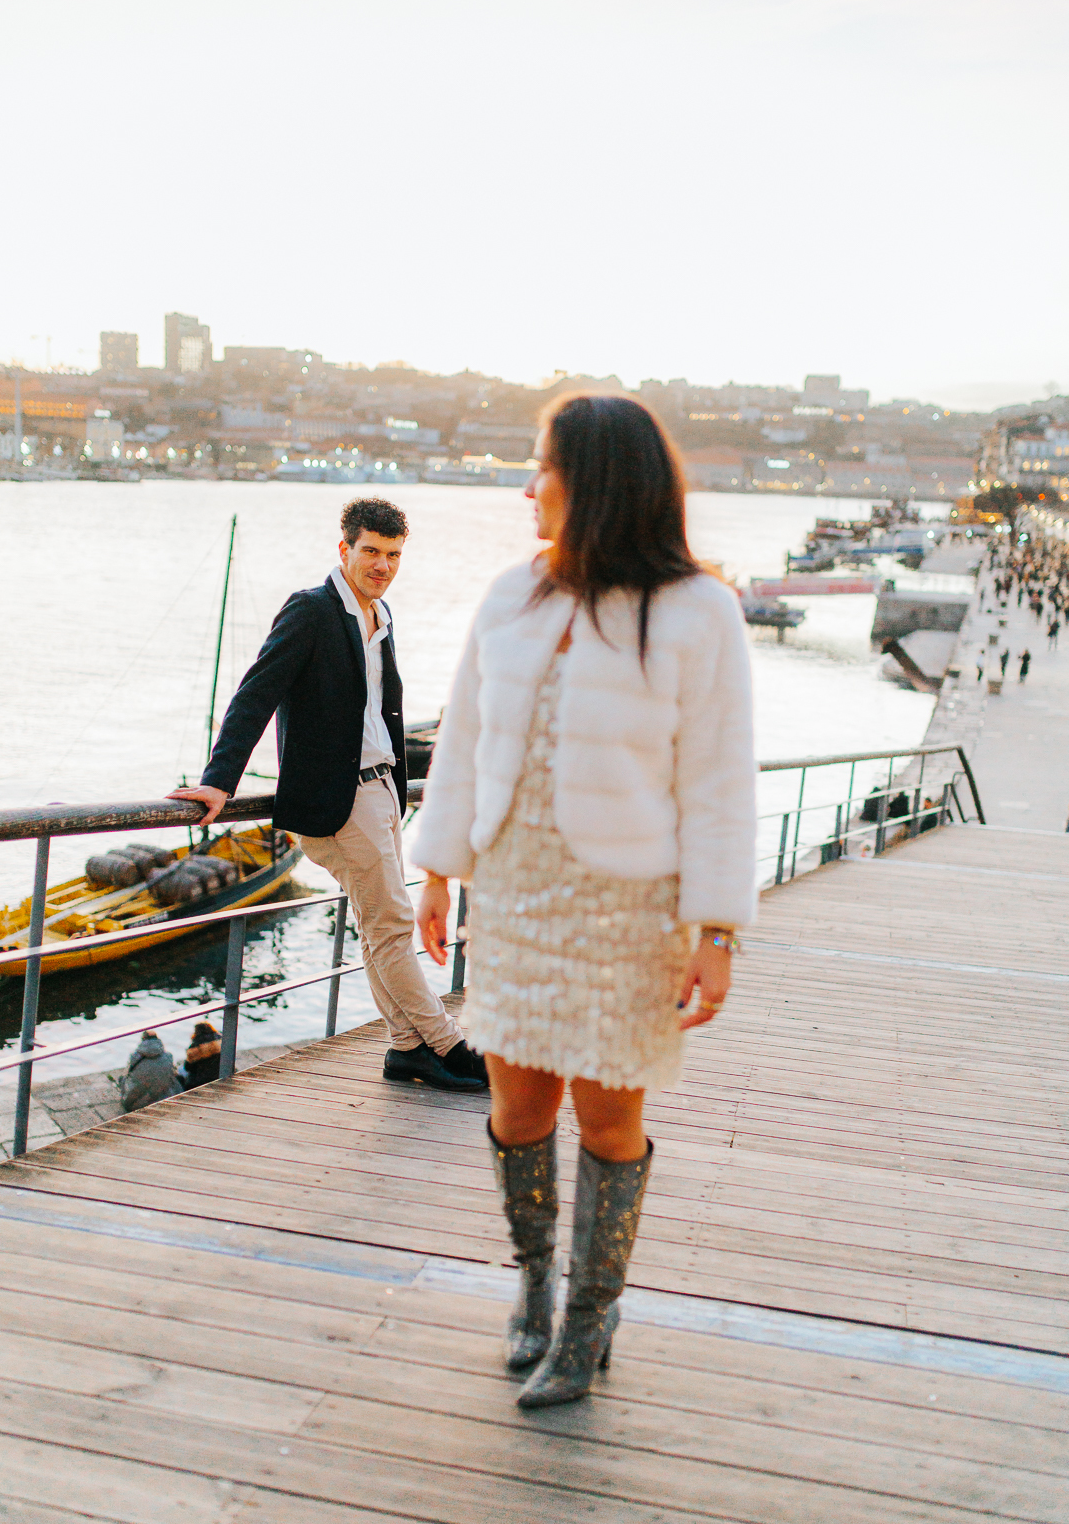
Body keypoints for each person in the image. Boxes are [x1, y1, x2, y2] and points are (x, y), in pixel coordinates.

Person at [413, 394, 757, 1408]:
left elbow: (720, 782)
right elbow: (464, 741)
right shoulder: (508, 597)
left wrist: (718, 930)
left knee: (609, 1120)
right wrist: (437, 869)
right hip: (516, 896)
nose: (528, 487)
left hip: (629, 909)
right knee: (518, 1109)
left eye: (541, 468)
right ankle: (531, 1287)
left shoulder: (700, 613)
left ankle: (588, 1317)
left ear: (597, 480)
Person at [168, 498, 485, 1094]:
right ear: (344, 550)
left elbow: (379, 708)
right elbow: (255, 693)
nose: (382, 565)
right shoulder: (311, 611)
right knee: (391, 924)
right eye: (371, 552)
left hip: (383, 790)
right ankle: (448, 1045)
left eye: (393, 555)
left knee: (375, 926)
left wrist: (399, 787)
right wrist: (220, 779)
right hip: (340, 799)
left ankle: (405, 1048)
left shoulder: (380, 613)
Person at [121, 1031, 181, 1112]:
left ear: (143, 1039)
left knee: (123, 1079)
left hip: (136, 1104)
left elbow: (127, 1074)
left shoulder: (134, 1057)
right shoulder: (168, 1056)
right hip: (163, 1099)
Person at [180, 1020, 223, 1090]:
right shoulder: (220, 1041)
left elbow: (187, 1067)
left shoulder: (195, 1046)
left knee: (180, 1071)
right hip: (219, 1076)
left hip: (200, 1082)